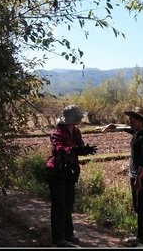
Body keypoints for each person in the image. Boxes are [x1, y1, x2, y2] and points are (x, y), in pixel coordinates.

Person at [45, 104, 96, 247]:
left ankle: (68, 234)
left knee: (68, 203)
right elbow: (60, 148)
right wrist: (74, 150)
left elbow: (78, 148)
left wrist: (85, 150)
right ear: (72, 118)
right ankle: (58, 238)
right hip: (56, 171)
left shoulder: (76, 131)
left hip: (70, 170)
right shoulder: (57, 133)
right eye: (78, 116)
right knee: (59, 205)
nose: (80, 118)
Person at [103, 106, 143, 247]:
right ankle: (139, 236)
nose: (129, 121)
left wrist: (138, 179)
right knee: (138, 207)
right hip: (134, 174)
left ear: (139, 120)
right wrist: (114, 126)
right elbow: (126, 128)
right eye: (129, 119)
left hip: (142, 177)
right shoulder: (137, 132)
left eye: (132, 119)